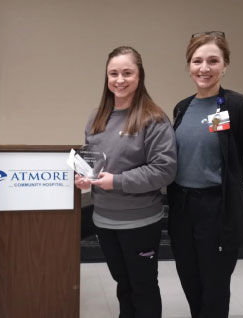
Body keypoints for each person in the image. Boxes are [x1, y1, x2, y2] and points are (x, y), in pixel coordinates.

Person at [168, 31, 243, 318]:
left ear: (225, 66)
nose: (204, 68)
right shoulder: (182, 108)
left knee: (215, 285)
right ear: (189, 66)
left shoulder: (238, 106)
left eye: (213, 60)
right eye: (197, 61)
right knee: (189, 277)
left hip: (218, 209)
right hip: (183, 208)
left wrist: (237, 194)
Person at [75, 46, 177, 318]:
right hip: (105, 220)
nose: (119, 79)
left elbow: (164, 170)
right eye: (113, 73)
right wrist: (86, 177)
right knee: (123, 283)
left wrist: (117, 182)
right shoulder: (96, 117)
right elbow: (93, 162)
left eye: (127, 73)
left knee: (142, 287)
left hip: (140, 222)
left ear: (140, 76)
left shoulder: (153, 119)